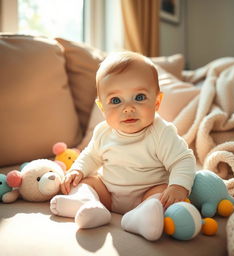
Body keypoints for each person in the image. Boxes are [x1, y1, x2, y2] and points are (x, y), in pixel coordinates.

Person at [50, 51, 196, 241]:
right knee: (89, 181)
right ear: (102, 108)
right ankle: (89, 204)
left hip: (147, 193)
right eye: (116, 100)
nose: (128, 108)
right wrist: (78, 169)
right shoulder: (103, 132)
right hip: (109, 194)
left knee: (161, 192)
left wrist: (178, 186)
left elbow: (182, 159)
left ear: (157, 102)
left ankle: (144, 216)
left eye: (140, 97)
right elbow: (91, 156)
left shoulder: (161, 132)